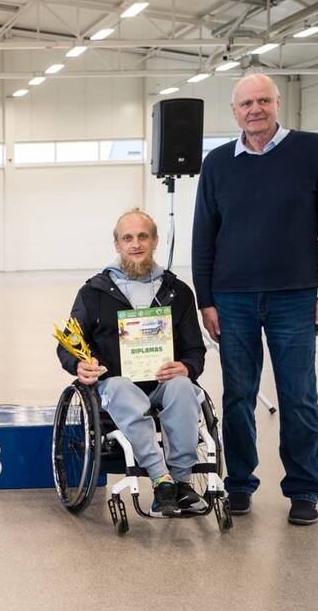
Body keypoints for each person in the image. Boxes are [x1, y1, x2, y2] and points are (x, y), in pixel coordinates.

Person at [192, 73, 318, 526]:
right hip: (232, 299)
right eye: (246, 104)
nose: (254, 109)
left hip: (295, 297)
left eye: (262, 100)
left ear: (278, 103)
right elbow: (204, 235)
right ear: (234, 111)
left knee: (298, 396)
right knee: (238, 395)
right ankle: (239, 483)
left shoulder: (314, 150)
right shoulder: (217, 163)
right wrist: (206, 300)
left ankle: (303, 489)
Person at [58, 209, 207, 516]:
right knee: (120, 387)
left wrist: (187, 367)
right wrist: (78, 365)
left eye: (143, 236)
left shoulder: (178, 292)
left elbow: (195, 350)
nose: (136, 244)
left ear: (155, 241)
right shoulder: (93, 293)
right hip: (116, 386)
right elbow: (68, 344)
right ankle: (161, 479)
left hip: (162, 384)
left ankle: (181, 482)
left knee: (183, 386)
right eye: (128, 238)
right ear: (117, 244)